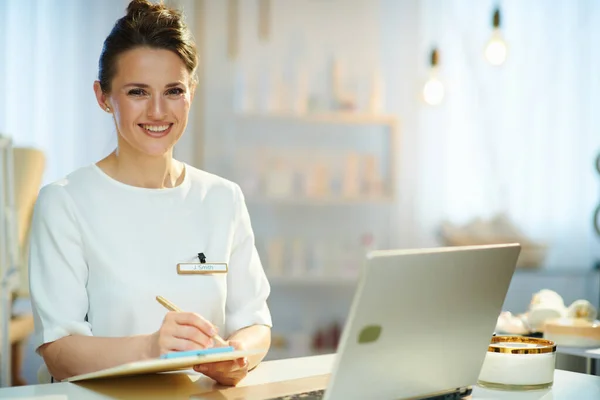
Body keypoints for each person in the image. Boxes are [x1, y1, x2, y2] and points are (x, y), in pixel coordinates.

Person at [28, 0, 272, 386]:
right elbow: (59, 352)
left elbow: (256, 323)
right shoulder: (64, 202)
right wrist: (151, 348)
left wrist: (237, 356)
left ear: (191, 91)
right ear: (103, 97)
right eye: (138, 92)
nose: (158, 111)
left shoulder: (223, 199)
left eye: (173, 90)